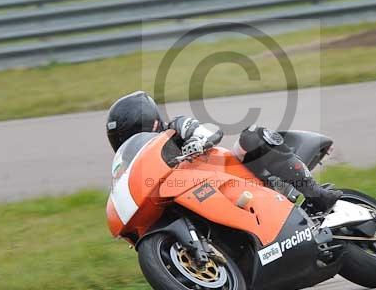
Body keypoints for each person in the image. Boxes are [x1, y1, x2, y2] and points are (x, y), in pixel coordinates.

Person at [106, 91, 341, 212]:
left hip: (237, 176)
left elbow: (208, 131)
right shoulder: (142, 164)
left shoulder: (175, 129)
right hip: (202, 198)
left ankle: (316, 194)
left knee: (252, 136)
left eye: (130, 134)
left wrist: (198, 141)